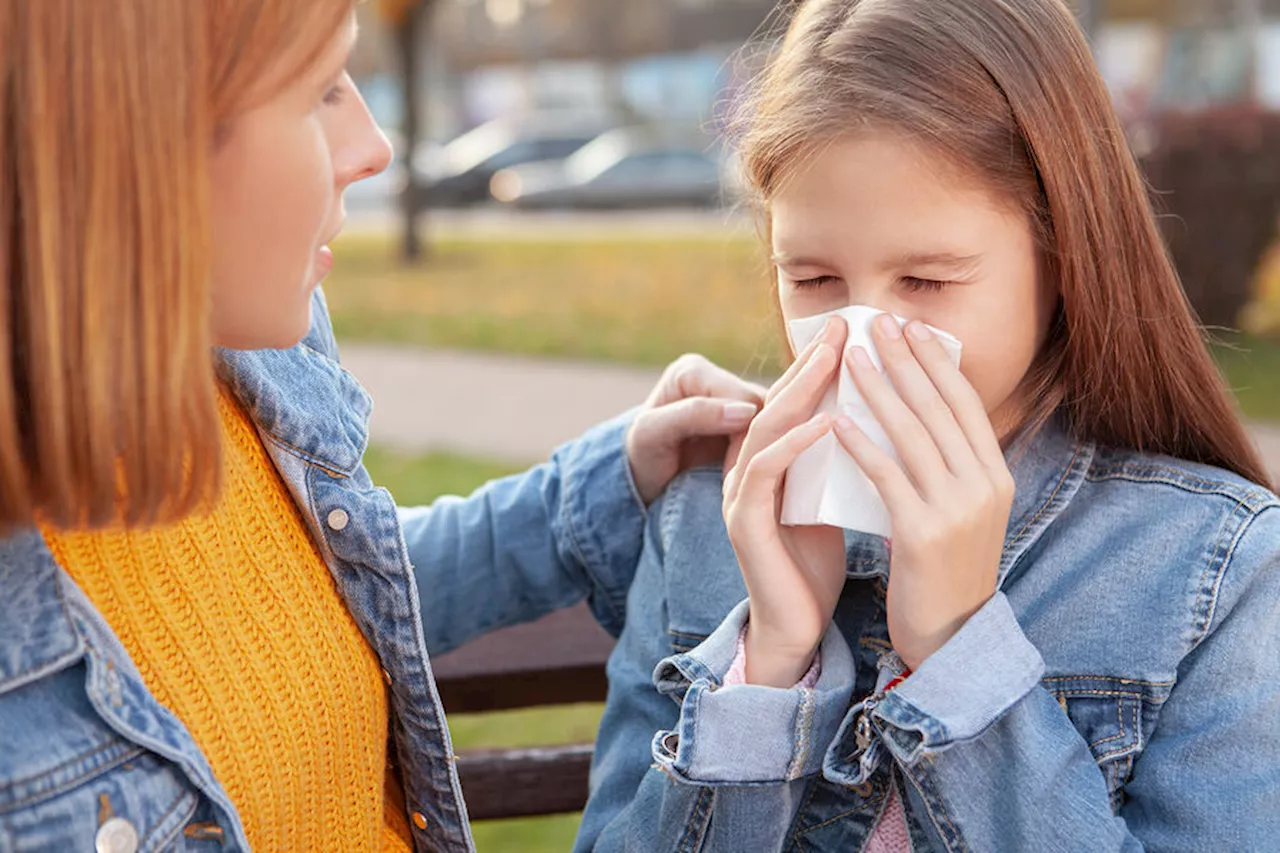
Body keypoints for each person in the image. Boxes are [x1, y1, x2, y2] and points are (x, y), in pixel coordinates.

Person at [0, 3, 763, 851]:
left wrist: (599, 484)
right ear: (130, 143)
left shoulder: (235, 363)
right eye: (321, 90)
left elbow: (317, 599)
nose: (374, 145)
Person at [577, 0, 1280, 850]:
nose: (862, 340)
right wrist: (766, 671)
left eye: (928, 281)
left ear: (1065, 254)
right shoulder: (702, 525)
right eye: (813, 278)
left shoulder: (1219, 574)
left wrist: (958, 651)